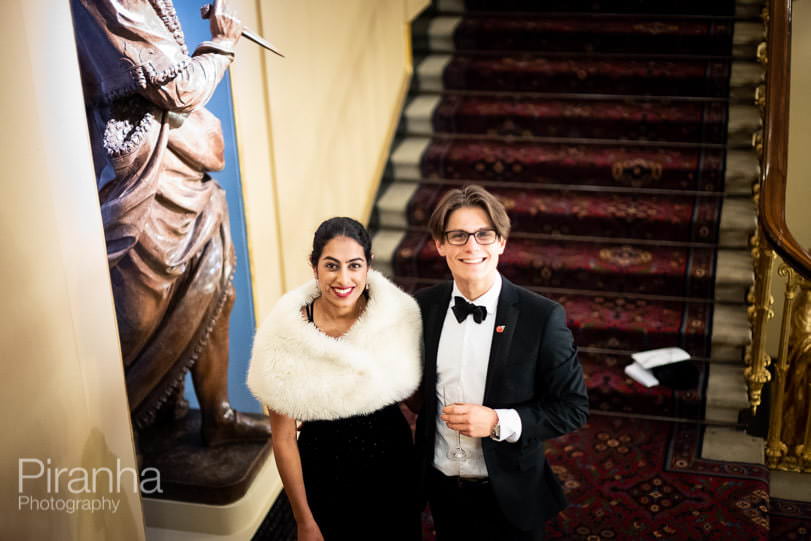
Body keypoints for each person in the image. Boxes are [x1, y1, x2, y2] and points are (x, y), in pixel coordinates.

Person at [71, 0, 268, 444]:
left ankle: (216, 415)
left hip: (183, 168)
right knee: (138, 317)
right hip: (148, 177)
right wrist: (221, 43)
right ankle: (121, 437)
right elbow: (177, 89)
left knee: (215, 287)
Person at [413, 185, 589, 541]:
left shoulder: (542, 317)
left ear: (501, 242)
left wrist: (497, 421)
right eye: (458, 235)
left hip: (510, 491)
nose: (472, 246)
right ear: (440, 244)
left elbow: (573, 408)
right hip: (442, 488)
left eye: (484, 234)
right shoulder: (421, 308)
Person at [247, 217, 422, 541]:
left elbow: (416, 399)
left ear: (368, 265)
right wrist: (304, 520)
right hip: (325, 470)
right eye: (331, 265)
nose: (343, 279)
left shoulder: (396, 317)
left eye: (354, 265)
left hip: (392, 462)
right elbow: (284, 439)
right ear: (314, 267)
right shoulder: (286, 334)